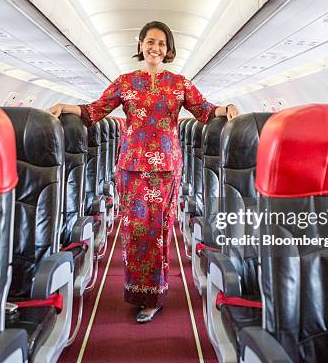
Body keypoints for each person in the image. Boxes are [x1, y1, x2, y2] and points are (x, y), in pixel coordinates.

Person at [49, 21, 239, 323]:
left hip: (165, 167)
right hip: (131, 166)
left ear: (169, 49)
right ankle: (138, 291)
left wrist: (225, 108)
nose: (155, 48)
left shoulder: (179, 83)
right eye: (150, 41)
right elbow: (94, 111)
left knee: (159, 232)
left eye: (162, 43)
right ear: (140, 45)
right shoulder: (125, 82)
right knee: (134, 232)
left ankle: (154, 295)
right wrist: (65, 106)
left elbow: (204, 109)